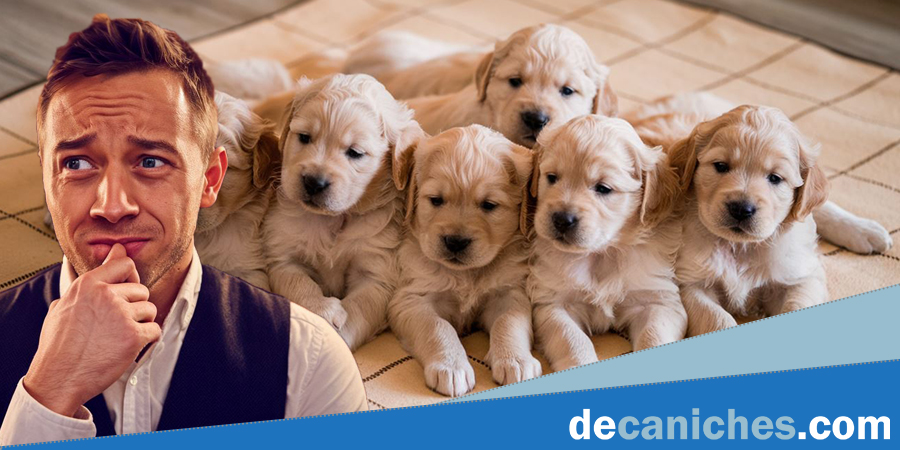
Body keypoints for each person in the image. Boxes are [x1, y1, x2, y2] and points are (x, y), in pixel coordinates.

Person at [0, 14, 367, 446]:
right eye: (76, 163)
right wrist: (50, 393)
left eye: (150, 161)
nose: (113, 206)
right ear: (46, 178)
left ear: (209, 179)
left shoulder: (310, 365)